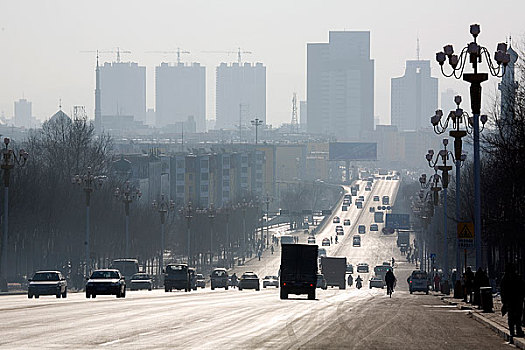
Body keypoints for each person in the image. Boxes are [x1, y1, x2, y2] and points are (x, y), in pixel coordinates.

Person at [500, 263, 525, 337]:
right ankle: (518, 329)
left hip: (510, 300)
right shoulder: (517, 277)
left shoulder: (505, 278)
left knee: (511, 316)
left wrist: (504, 301)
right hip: (517, 300)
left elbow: (503, 291)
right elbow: (522, 288)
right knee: (517, 316)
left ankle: (512, 331)